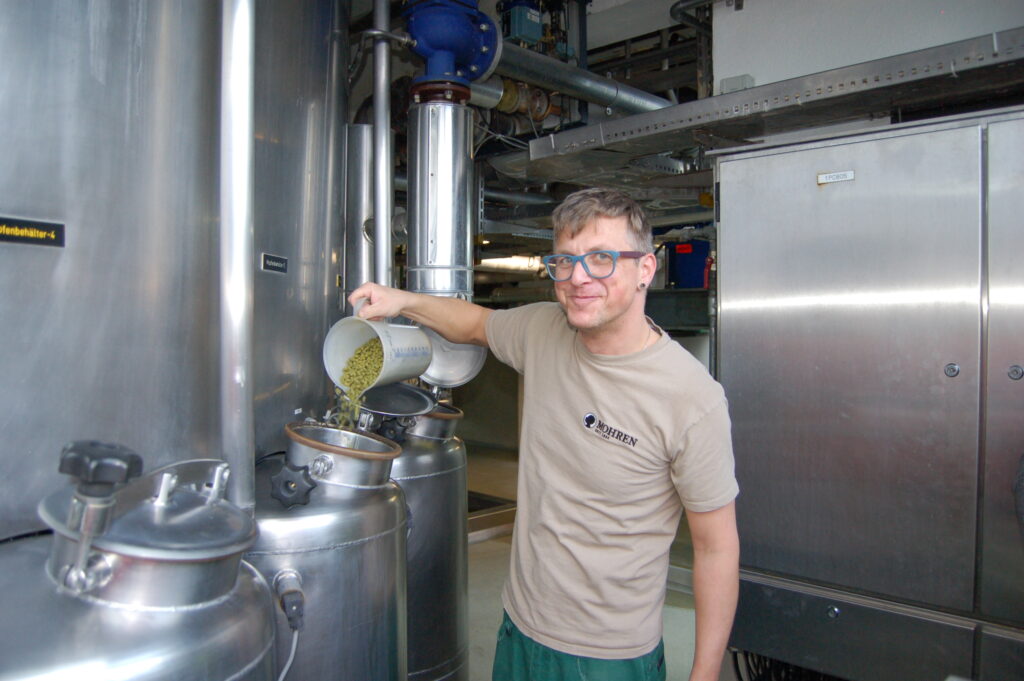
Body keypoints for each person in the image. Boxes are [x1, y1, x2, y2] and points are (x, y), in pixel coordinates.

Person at [349, 187, 739, 681]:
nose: (578, 278)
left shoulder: (692, 398)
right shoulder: (543, 331)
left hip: (609, 655)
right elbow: (474, 324)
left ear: (645, 268)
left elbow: (716, 548)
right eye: (564, 261)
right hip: (520, 625)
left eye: (601, 258)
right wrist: (401, 300)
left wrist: (705, 674)